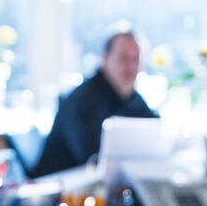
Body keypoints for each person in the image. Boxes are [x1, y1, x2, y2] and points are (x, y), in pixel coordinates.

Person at [31, 30, 158, 177]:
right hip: (61, 192)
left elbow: (156, 132)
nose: (130, 67)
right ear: (104, 58)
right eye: (123, 58)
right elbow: (94, 161)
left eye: (135, 59)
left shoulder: (130, 98)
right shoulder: (82, 101)